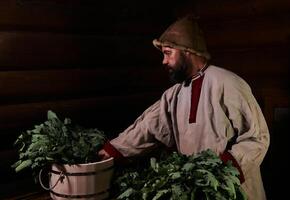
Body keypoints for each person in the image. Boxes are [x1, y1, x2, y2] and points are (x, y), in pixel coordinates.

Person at [98, 17, 270, 200]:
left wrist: (222, 170)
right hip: (195, 190)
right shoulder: (174, 94)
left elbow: (257, 137)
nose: (164, 61)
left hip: (234, 190)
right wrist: (111, 150)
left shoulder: (228, 84)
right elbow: (147, 127)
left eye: (168, 53)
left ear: (188, 51)